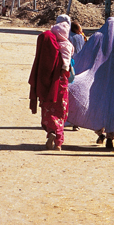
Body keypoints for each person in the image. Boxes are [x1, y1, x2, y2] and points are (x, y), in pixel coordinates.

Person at [66, 17, 114, 149]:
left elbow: (83, 55)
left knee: (96, 106)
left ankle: (99, 132)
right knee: (112, 108)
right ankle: (110, 136)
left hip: (96, 82)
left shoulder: (97, 36)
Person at [28, 16, 73, 151]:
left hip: (48, 85)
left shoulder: (51, 45)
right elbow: (67, 63)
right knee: (61, 109)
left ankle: (50, 132)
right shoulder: (67, 45)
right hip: (62, 83)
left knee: (49, 108)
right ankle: (59, 140)